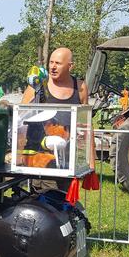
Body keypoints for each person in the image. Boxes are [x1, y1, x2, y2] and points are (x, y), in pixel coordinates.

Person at [21, 47, 95, 177]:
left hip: (68, 162)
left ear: (70, 66)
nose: (53, 67)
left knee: (63, 196)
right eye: (51, 62)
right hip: (40, 160)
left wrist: (91, 164)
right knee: (42, 195)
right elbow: (20, 120)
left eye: (58, 63)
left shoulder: (80, 87)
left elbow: (87, 124)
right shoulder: (37, 86)